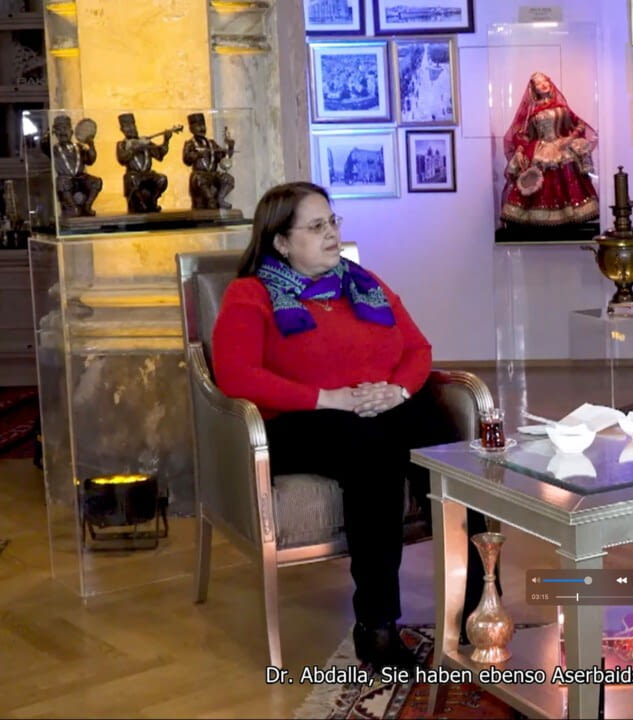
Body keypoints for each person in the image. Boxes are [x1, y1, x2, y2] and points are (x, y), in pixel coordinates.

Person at [211, 182, 490, 670]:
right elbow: (237, 377)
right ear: (281, 241)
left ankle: (480, 603)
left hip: (378, 408)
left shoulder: (362, 282)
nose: (331, 233)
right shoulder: (250, 295)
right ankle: (376, 626)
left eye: (333, 221)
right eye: (316, 226)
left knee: (442, 439)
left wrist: (397, 391)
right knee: (373, 450)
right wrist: (329, 398)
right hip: (298, 421)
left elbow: (417, 348)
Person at [499, 72, 600, 228]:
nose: (543, 85)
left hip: (562, 147)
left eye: (545, 81)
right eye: (538, 84)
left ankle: (571, 215)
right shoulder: (533, 112)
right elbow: (524, 135)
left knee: (568, 177)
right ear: (534, 90)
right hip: (540, 149)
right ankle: (538, 217)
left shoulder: (562, 107)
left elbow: (580, 124)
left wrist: (570, 137)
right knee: (539, 181)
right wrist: (519, 151)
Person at [116, 112, 176, 213]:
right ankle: (140, 204)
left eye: (132, 125)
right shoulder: (122, 144)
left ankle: (153, 201)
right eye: (127, 127)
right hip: (134, 174)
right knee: (132, 179)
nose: (131, 129)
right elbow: (122, 159)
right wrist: (135, 148)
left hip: (148, 174)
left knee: (162, 179)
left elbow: (160, 154)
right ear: (122, 130)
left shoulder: (146, 141)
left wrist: (166, 140)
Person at [44, 114, 102, 218]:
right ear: (55, 133)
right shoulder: (54, 149)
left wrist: (91, 145)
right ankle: (73, 207)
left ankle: (87, 205)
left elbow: (90, 160)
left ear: (71, 131)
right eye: (59, 129)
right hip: (66, 178)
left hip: (80, 178)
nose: (62, 132)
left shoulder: (79, 147)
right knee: (62, 183)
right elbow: (43, 143)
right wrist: (49, 132)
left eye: (65, 128)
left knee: (96, 182)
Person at [183, 112, 235, 210]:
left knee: (228, 179)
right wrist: (196, 155)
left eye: (203, 125)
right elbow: (186, 160)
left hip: (213, 174)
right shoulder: (190, 144)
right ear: (191, 129)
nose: (202, 128)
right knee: (199, 180)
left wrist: (230, 147)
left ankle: (220, 199)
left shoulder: (211, 143)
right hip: (199, 174)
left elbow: (224, 157)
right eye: (198, 126)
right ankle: (210, 199)